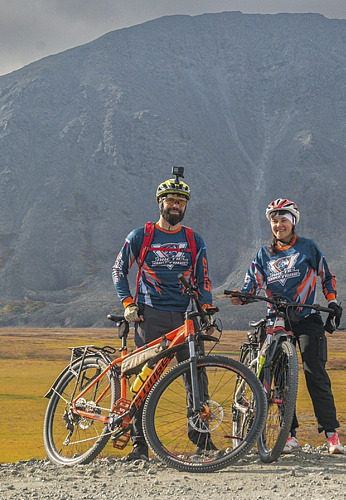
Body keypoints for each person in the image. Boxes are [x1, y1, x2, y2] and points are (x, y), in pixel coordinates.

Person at [111, 170, 214, 461]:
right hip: (150, 316)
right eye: (170, 200)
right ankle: (139, 445)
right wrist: (128, 303)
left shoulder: (194, 240)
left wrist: (205, 307)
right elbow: (119, 270)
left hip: (186, 317)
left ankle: (202, 442)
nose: (176, 206)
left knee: (196, 378)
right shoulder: (141, 236)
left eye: (181, 201)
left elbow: (203, 278)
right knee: (145, 379)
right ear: (160, 203)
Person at [229, 198, 345, 454]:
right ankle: (289, 435)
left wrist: (333, 301)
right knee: (279, 377)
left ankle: (331, 435)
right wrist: (243, 296)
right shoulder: (264, 254)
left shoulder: (308, 248)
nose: (279, 224)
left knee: (315, 372)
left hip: (306, 317)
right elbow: (252, 283)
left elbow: (327, 275)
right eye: (274, 220)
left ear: (293, 222)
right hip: (277, 319)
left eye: (284, 220)